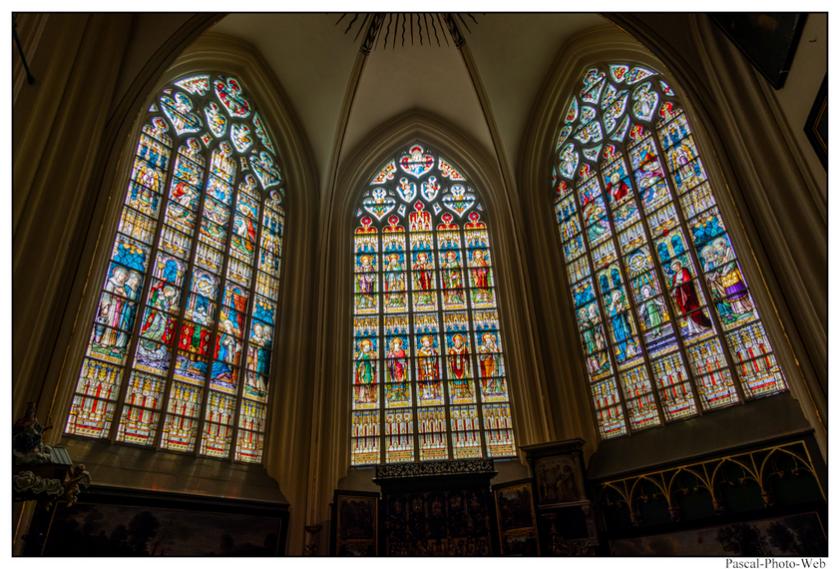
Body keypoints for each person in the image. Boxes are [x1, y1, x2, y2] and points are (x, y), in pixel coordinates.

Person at [670, 259, 712, 334]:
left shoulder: (685, 271)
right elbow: (673, 285)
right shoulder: (675, 276)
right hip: (681, 296)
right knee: (687, 313)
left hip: (689, 294)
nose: (676, 268)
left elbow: (687, 280)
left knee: (694, 311)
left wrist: (681, 282)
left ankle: (700, 327)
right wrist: (675, 286)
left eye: (676, 266)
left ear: (679, 264)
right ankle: (691, 329)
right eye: (674, 268)